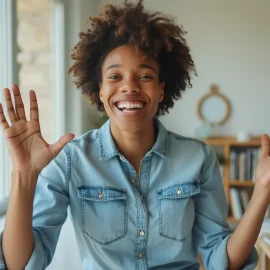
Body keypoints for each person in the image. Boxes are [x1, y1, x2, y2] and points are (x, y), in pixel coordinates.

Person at [0, 1, 269, 269]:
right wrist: (24, 174)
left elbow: (223, 262)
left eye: (145, 76)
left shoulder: (198, 158)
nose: (129, 87)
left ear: (162, 90)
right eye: (115, 77)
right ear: (100, 90)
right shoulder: (70, 161)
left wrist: (263, 191)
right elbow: (19, 264)